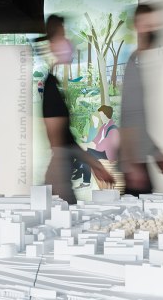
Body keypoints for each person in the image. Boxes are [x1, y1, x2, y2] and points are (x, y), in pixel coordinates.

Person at [41, 14, 114, 204]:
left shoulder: (54, 84)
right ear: (53, 44)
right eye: (63, 37)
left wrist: (95, 164)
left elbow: (67, 140)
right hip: (59, 177)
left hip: (62, 172)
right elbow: (59, 143)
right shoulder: (50, 86)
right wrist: (94, 164)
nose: (68, 42)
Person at [119, 3, 163, 197]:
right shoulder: (135, 64)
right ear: (137, 26)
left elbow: (142, 121)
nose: (152, 29)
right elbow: (128, 118)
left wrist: (157, 153)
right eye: (146, 24)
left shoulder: (144, 62)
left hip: (141, 161)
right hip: (136, 166)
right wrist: (132, 165)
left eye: (154, 24)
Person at [75, 105, 120, 188]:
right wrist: (85, 145)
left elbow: (103, 145)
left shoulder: (113, 129)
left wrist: (87, 146)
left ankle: (86, 181)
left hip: (109, 154)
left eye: (102, 115)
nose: (100, 117)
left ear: (106, 115)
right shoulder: (103, 127)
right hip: (103, 151)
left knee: (87, 152)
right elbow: (95, 140)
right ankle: (86, 181)